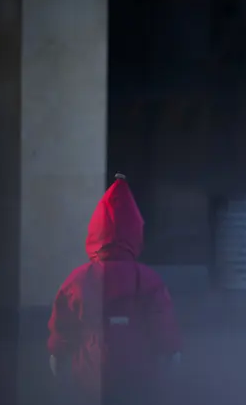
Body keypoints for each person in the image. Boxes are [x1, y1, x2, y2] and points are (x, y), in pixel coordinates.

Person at [47, 173, 182, 405]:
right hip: (139, 376)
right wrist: (171, 350)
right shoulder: (148, 280)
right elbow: (163, 323)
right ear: (135, 231)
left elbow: (63, 325)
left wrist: (57, 353)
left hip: (90, 378)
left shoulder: (77, 280)